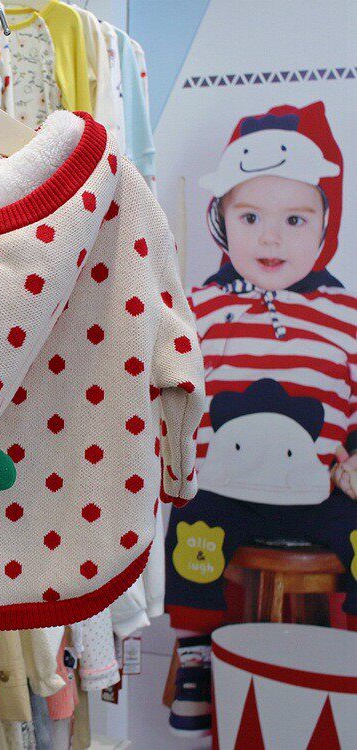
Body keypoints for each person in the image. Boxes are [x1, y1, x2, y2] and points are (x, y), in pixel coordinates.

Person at [164, 101, 356, 737]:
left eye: (294, 219)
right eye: (250, 218)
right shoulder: (200, 306)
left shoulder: (345, 314)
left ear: (325, 226)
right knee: (191, 521)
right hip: (226, 491)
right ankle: (195, 651)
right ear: (222, 225)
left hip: (320, 493)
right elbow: (172, 385)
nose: (270, 238)